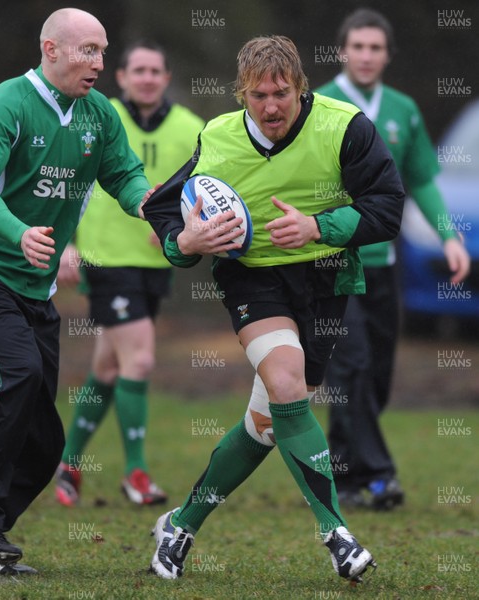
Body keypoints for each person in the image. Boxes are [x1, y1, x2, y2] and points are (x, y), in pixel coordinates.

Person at [142, 35, 405, 583]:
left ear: (299, 87)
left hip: (328, 280)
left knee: (268, 421)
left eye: (281, 93)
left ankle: (181, 524)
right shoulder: (217, 137)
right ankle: (338, 534)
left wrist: (317, 226)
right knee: (287, 387)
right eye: (258, 95)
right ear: (241, 93)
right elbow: (164, 206)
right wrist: (183, 244)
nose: (270, 106)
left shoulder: (344, 126)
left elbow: (387, 206)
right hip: (252, 279)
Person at [0, 8, 152, 575]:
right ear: (50, 49)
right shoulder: (4, 105)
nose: (99, 64)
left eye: (103, 52)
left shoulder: (98, 114)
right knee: (18, 375)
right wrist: (19, 231)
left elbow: (124, 176)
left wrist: (157, 212)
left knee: (45, 438)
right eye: (87, 51)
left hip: (34, 286)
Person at [316, 8, 470, 510]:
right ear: (343, 50)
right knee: (352, 365)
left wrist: (448, 236)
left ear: (387, 55)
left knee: (375, 374)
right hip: (334, 264)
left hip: (385, 265)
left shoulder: (402, 109)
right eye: (357, 46)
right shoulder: (318, 104)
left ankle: (342, 473)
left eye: (375, 48)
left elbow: (422, 177)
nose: (366, 55)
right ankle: (379, 477)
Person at [55, 41, 204, 507]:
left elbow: (206, 187)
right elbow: (66, 180)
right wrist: (68, 243)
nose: (145, 78)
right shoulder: (95, 115)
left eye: (154, 71)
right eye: (137, 70)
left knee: (109, 367)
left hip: (157, 263)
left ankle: (67, 464)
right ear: (120, 76)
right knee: (138, 361)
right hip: (106, 256)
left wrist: (176, 227)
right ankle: (135, 472)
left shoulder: (191, 128)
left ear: (165, 77)